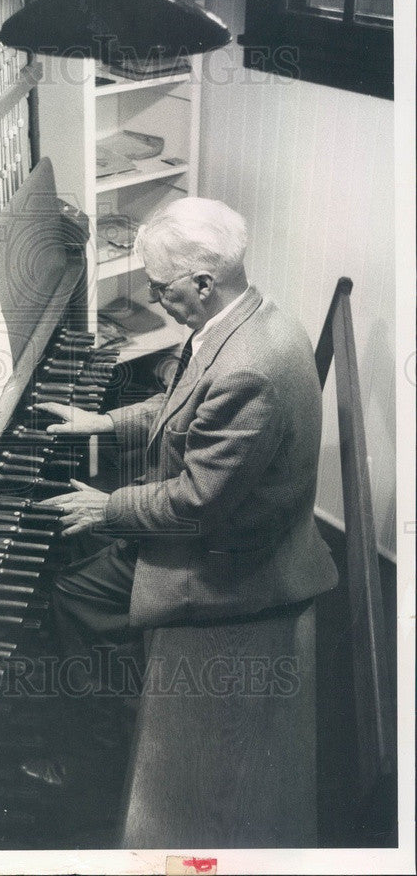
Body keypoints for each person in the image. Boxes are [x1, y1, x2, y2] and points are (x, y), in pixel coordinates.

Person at [20, 196, 339, 787]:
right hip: (239, 524)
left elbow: (196, 503)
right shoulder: (251, 317)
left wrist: (108, 505)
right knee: (93, 553)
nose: (152, 298)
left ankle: (97, 759)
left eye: (160, 286)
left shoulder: (249, 367)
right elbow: (183, 410)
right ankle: (121, 687)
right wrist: (106, 423)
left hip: (236, 561)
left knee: (71, 595)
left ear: (203, 281)